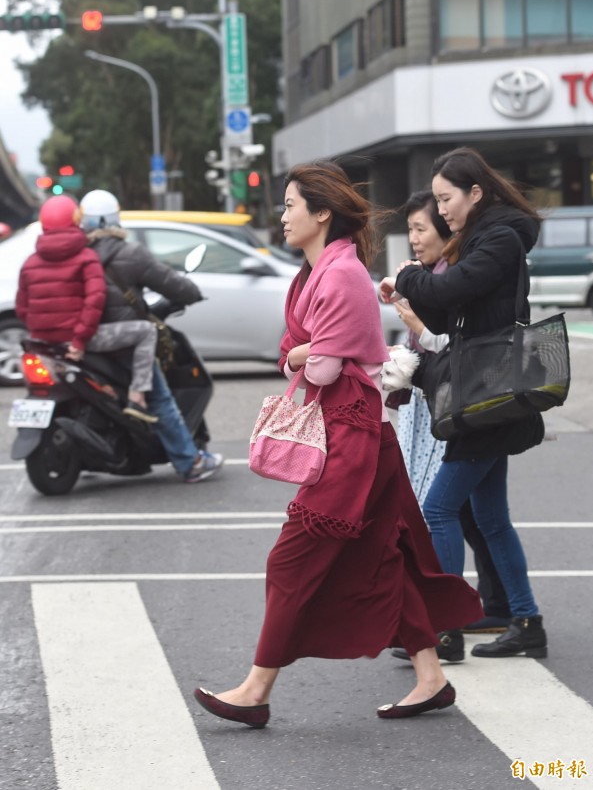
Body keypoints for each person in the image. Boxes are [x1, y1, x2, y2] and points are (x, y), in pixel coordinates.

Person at [193, 160, 482, 729]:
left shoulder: (342, 275)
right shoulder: (313, 274)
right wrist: (304, 353)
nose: (281, 216)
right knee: (387, 555)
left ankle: (256, 689)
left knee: (291, 561)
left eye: (289, 205)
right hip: (352, 434)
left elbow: (316, 366)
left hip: (353, 438)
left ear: (321, 212)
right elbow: (294, 353)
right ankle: (431, 677)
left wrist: (303, 353)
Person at [380, 147, 547, 659]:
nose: (442, 209)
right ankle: (525, 621)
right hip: (485, 394)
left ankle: (445, 629)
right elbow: (451, 308)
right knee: (491, 518)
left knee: (438, 510)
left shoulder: (498, 238)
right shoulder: (487, 236)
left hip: (486, 395)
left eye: (446, 198)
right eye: (437, 199)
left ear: (476, 193)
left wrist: (408, 276)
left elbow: (452, 290)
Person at [383, 191, 511, 663]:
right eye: (413, 228)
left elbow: (455, 349)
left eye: (422, 228)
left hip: (465, 409)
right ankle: (509, 612)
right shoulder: (439, 278)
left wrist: (414, 321)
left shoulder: (455, 280)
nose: (414, 238)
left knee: (443, 512)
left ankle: (449, 627)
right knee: (480, 517)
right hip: (444, 408)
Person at [79, 189, 224, 484]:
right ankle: (190, 462)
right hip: (127, 343)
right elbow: (171, 283)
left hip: (85, 342)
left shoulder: (79, 255)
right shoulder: (129, 253)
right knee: (160, 399)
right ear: (115, 218)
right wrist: (192, 293)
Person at [15, 194, 159, 424]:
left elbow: (22, 307)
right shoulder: (86, 257)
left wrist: (41, 331)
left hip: (44, 345)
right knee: (147, 331)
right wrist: (79, 340)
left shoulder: (30, 263)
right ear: (76, 220)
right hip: (80, 342)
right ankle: (138, 396)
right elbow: (95, 301)